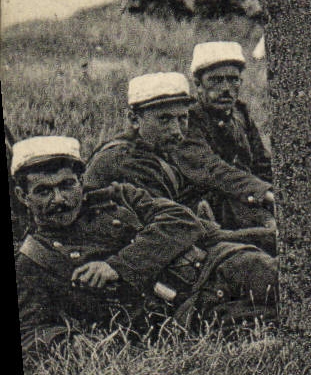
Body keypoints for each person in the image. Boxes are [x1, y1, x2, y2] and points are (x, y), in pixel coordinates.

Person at [14, 136, 275, 353]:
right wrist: (67, 341)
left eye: (67, 185)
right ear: (22, 196)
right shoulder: (35, 260)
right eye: (43, 191)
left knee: (290, 285)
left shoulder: (119, 196)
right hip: (186, 314)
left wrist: (117, 267)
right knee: (276, 327)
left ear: (81, 182)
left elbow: (183, 221)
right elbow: (30, 331)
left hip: (218, 264)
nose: (59, 199)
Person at [173, 41, 276, 233]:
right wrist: (263, 192)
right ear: (198, 84)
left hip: (246, 196)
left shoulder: (240, 114)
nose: (226, 88)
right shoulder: (187, 120)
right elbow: (212, 170)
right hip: (211, 204)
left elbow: (262, 162)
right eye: (216, 80)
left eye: (233, 79)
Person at [84, 73, 206, 209]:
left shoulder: (156, 150)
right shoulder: (128, 159)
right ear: (134, 120)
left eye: (182, 118)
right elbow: (167, 216)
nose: (176, 130)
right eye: (164, 119)